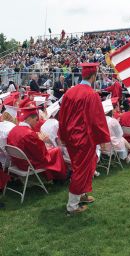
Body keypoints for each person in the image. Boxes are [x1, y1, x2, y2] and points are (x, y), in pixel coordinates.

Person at [59, 63, 110, 215]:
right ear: (93, 76)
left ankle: (82, 195)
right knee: (81, 170)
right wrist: (103, 140)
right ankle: (72, 206)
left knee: (81, 167)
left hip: (71, 138)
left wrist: (62, 135)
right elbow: (97, 120)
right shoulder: (91, 94)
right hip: (84, 139)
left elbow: (62, 117)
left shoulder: (70, 92)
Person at [7, 107, 67, 181]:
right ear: (29, 119)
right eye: (36, 119)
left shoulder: (14, 129)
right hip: (27, 164)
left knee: (50, 149)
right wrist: (42, 142)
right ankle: (60, 177)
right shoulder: (29, 133)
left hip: (17, 161)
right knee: (56, 150)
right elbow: (40, 156)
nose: (37, 122)